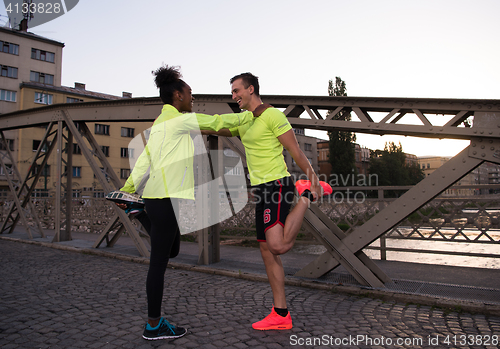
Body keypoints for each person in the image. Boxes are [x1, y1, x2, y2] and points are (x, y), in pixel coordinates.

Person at [119, 65, 269, 340]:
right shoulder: (180, 120)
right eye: (189, 94)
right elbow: (217, 123)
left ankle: (138, 210)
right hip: (166, 198)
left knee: (172, 250)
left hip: (156, 198)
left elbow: (144, 161)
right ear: (177, 95)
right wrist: (253, 114)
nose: (192, 98)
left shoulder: (159, 125)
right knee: (158, 263)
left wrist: (128, 188)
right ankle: (153, 325)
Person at [206, 73, 321, 330]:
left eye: (237, 91)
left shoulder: (272, 115)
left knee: (277, 246)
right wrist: (178, 124)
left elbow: (295, 150)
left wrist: (312, 178)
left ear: (251, 89)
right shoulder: (245, 120)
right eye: (232, 92)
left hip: (277, 185)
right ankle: (280, 314)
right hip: (262, 190)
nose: (233, 96)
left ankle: (305, 196)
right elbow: (213, 124)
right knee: (267, 253)